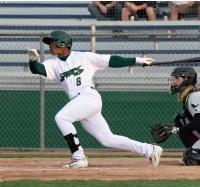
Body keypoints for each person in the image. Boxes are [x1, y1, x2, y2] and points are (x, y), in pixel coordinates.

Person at [27, 30, 163, 169]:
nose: (50, 45)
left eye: (53, 42)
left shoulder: (84, 57)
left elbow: (112, 60)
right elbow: (37, 69)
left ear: (63, 43)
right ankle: (149, 150)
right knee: (107, 139)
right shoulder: (53, 64)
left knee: (61, 118)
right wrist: (33, 61)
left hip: (88, 97)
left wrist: (138, 60)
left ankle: (79, 157)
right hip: (80, 103)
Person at [151, 66, 200, 166]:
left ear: (186, 80)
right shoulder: (190, 96)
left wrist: (175, 130)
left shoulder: (194, 96)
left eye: (177, 78)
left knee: (192, 157)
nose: (173, 81)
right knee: (181, 119)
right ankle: (194, 149)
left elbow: (199, 122)